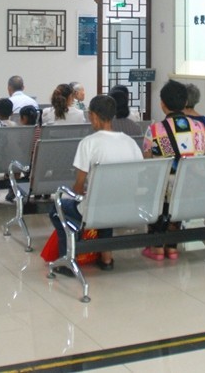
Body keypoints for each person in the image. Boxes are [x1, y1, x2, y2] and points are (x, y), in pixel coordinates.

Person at [48, 95, 142, 276]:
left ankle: (68, 259)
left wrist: (78, 194)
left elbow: (78, 186)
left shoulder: (89, 143)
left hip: (97, 210)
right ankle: (106, 258)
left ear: (93, 115)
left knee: (57, 208)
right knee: (106, 201)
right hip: (127, 207)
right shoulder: (130, 143)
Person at [142, 80, 205, 260]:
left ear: (162, 104)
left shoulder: (155, 130)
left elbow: (147, 161)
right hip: (192, 187)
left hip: (164, 190)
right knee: (176, 189)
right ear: (185, 102)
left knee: (158, 185)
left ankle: (157, 247)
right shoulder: (199, 128)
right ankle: (172, 247)